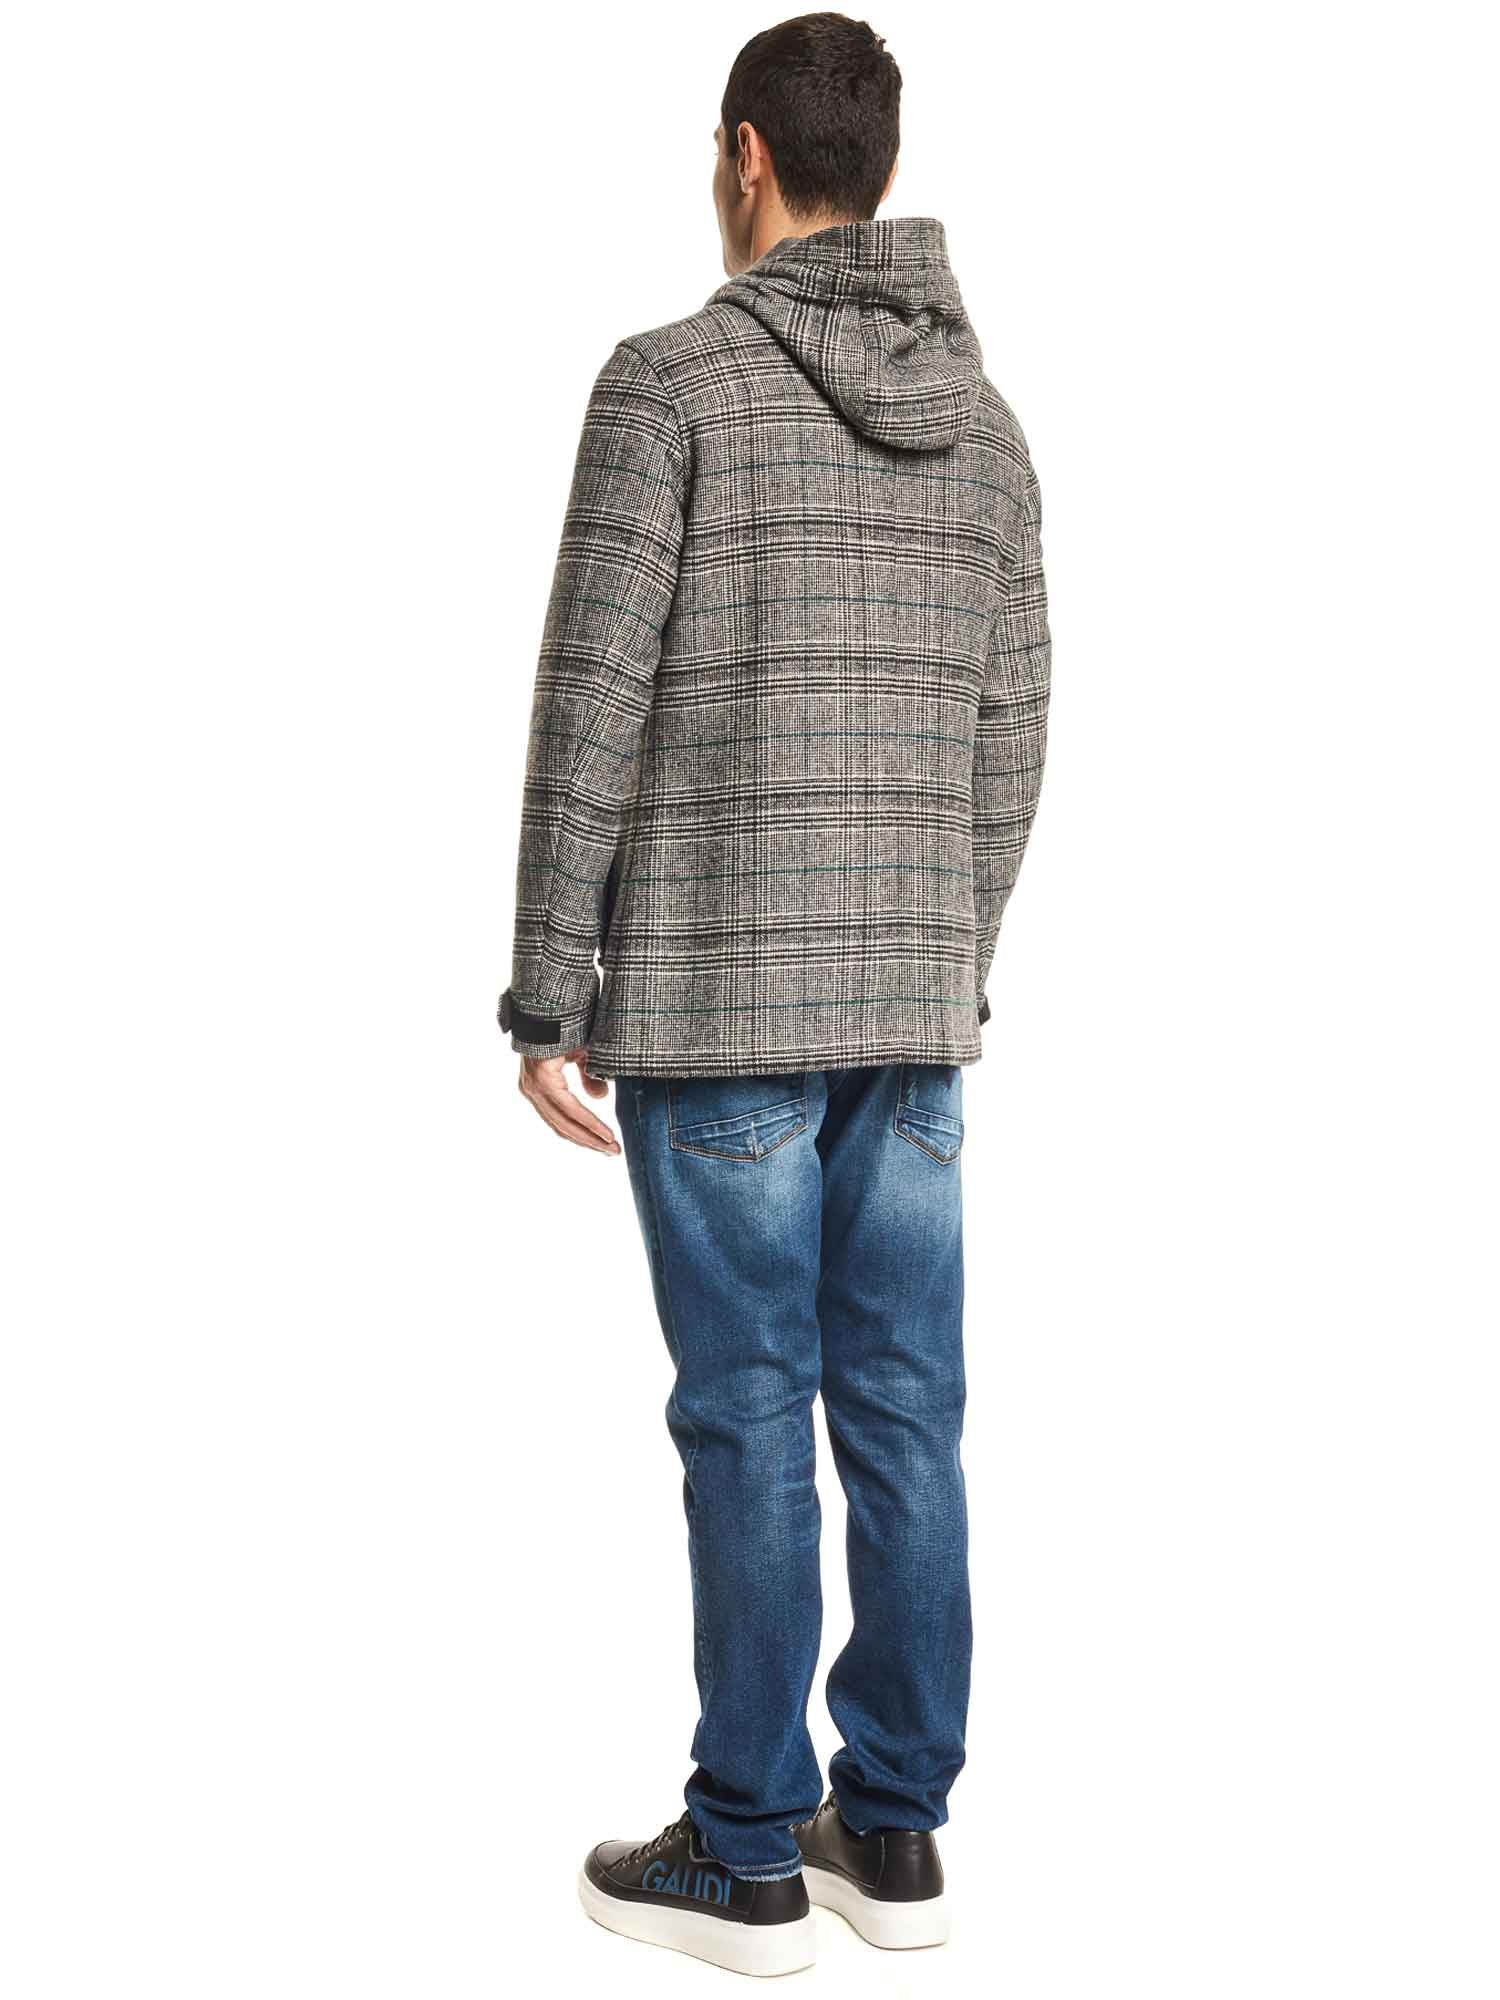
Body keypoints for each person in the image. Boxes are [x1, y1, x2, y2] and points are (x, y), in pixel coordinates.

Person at [497, 12, 1050, 1976]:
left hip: (717, 1002)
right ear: (874, 165)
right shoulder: (988, 429)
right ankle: (891, 1831)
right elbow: (1013, 733)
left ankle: (743, 1850)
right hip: (911, 1013)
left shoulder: (671, 385)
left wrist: (546, 985)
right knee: (908, 1410)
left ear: (747, 155)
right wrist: (948, 956)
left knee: (747, 1416)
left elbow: (594, 698)